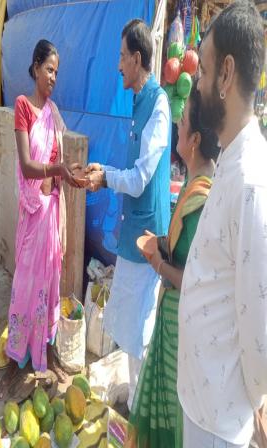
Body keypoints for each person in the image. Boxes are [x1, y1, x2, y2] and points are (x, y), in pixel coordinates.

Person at [177, 2, 267, 446]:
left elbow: (259, 317)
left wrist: (260, 400)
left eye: (205, 71)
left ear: (226, 74)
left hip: (220, 418)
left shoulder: (251, 182)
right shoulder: (232, 160)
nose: (198, 83)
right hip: (203, 401)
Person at [85, 19, 172, 410]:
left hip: (146, 238)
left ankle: (140, 408)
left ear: (137, 59)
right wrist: (103, 171)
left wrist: (105, 178)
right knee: (126, 320)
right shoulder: (139, 102)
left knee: (139, 328)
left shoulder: (159, 105)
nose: (118, 65)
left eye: (122, 56)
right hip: (132, 233)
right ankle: (135, 395)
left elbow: (138, 180)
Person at [128, 85, 218, 448]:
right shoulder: (196, 182)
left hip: (183, 325)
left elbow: (194, 279)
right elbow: (188, 251)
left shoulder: (201, 199)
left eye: (182, 122)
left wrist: (157, 263)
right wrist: (165, 243)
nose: (177, 125)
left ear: (194, 140)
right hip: (177, 317)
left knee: (172, 415)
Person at [0, 40, 79, 397]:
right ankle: (17, 360)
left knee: (50, 284)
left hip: (52, 212)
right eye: (49, 69)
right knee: (25, 287)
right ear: (34, 68)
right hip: (33, 215)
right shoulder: (23, 107)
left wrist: (69, 174)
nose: (53, 77)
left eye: (57, 72)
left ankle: (46, 349)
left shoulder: (54, 113)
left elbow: (57, 163)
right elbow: (28, 166)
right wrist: (57, 169)